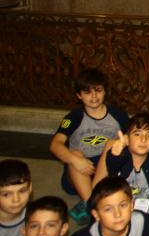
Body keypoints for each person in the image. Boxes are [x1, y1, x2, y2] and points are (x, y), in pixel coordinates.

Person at [49, 69, 129, 224]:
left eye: (98, 90)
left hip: (107, 169)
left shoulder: (117, 115)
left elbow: (130, 137)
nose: (94, 96)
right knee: (76, 154)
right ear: (79, 95)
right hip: (80, 172)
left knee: (112, 144)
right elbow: (55, 144)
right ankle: (92, 205)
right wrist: (74, 159)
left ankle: (90, 205)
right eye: (87, 92)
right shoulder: (74, 117)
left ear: (105, 92)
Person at [93, 113, 149, 218]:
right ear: (127, 138)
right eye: (137, 134)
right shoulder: (121, 158)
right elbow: (113, 164)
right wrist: (115, 154)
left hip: (147, 218)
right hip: (118, 216)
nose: (143, 139)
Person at [0, 160, 31, 236]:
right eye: (6, 194)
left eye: (22, 191)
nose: (16, 200)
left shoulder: (36, 214)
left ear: (30, 188)